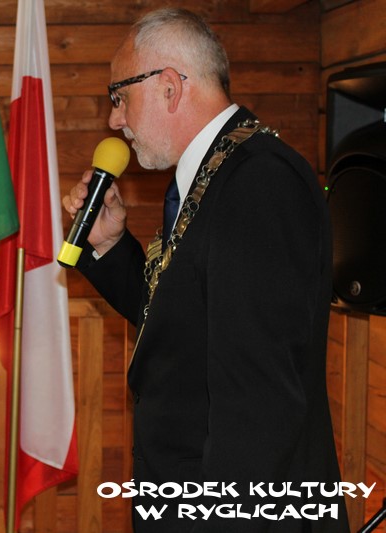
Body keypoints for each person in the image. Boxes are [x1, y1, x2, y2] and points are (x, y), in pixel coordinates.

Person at [63, 8, 349, 532]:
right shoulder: (215, 174)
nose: (114, 121)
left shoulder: (259, 183)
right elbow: (185, 327)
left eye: (119, 97)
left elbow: (258, 406)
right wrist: (110, 246)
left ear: (169, 87)